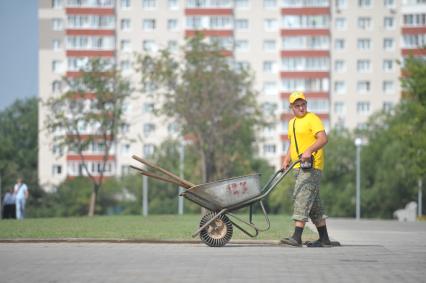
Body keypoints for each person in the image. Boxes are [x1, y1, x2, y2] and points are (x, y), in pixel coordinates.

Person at [280, 91, 339, 247]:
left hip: (312, 166)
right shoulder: (292, 123)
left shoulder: (312, 119)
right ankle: (324, 238)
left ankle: (296, 237)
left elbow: (323, 138)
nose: (301, 108)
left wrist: (309, 150)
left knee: (302, 196)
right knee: (313, 203)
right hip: (298, 167)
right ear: (291, 107)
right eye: (297, 106)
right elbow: (292, 144)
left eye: (303, 105)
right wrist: (286, 158)